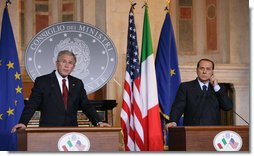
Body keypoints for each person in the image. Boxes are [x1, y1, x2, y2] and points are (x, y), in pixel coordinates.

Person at [12, 50, 110, 133]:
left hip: (71, 133)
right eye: (64, 61)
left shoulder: (77, 83)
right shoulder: (43, 81)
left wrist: (99, 122)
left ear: (73, 67)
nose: (67, 65)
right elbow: (32, 104)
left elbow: (86, 105)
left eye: (70, 63)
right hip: (48, 132)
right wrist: (23, 122)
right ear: (57, 63)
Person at [165, 58, 233, 128]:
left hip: (213, 132)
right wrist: (173, 121)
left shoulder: (218, 88)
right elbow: (178, 107)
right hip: (191, 131)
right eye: (202, 68)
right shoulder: (186, 87)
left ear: (212, 72)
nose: (204, 72)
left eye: (208, 69)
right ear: (197, 70)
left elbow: (228, 106)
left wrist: (216, 87)